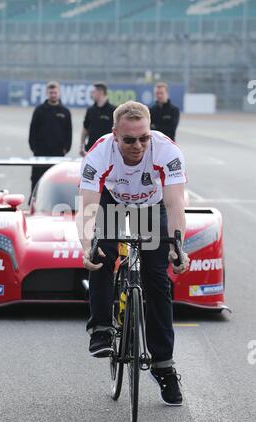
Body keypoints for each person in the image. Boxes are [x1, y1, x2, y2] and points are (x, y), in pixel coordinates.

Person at [76, 101, 190, 406]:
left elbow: (175, 204)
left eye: (144, 138)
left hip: (152, 207)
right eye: (129, 140)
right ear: (115, 135)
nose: (138, 146)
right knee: (101, 254)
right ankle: (101, 327)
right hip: (112, 202)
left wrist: (177, 245)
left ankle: (163, 365)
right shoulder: (99, 154)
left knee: (156, 278)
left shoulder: (166, 151)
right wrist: (87, 246)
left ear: (150, 132)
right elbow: (87, 207)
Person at [29, 81, 72, 193]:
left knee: (57, 179)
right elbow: (32, 130)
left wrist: (66, 148)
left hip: (58, 153)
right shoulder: (39, 110)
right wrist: (34, 147)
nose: (53, 95)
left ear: (59, 93)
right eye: (51, 92)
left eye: (55, 92)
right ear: (47, 93)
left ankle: (56, 201)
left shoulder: (65, 112)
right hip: (40, 152)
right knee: (37, 179)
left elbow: (69, 132)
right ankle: (33, 201)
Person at [80, 82, 116, 156]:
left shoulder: (113, 110)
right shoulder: (90, 110)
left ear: (100, 92)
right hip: (91, 149)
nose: (91, 94)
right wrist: (82, 146)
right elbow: (85, 129)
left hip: (107, 151)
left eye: (93, 92)